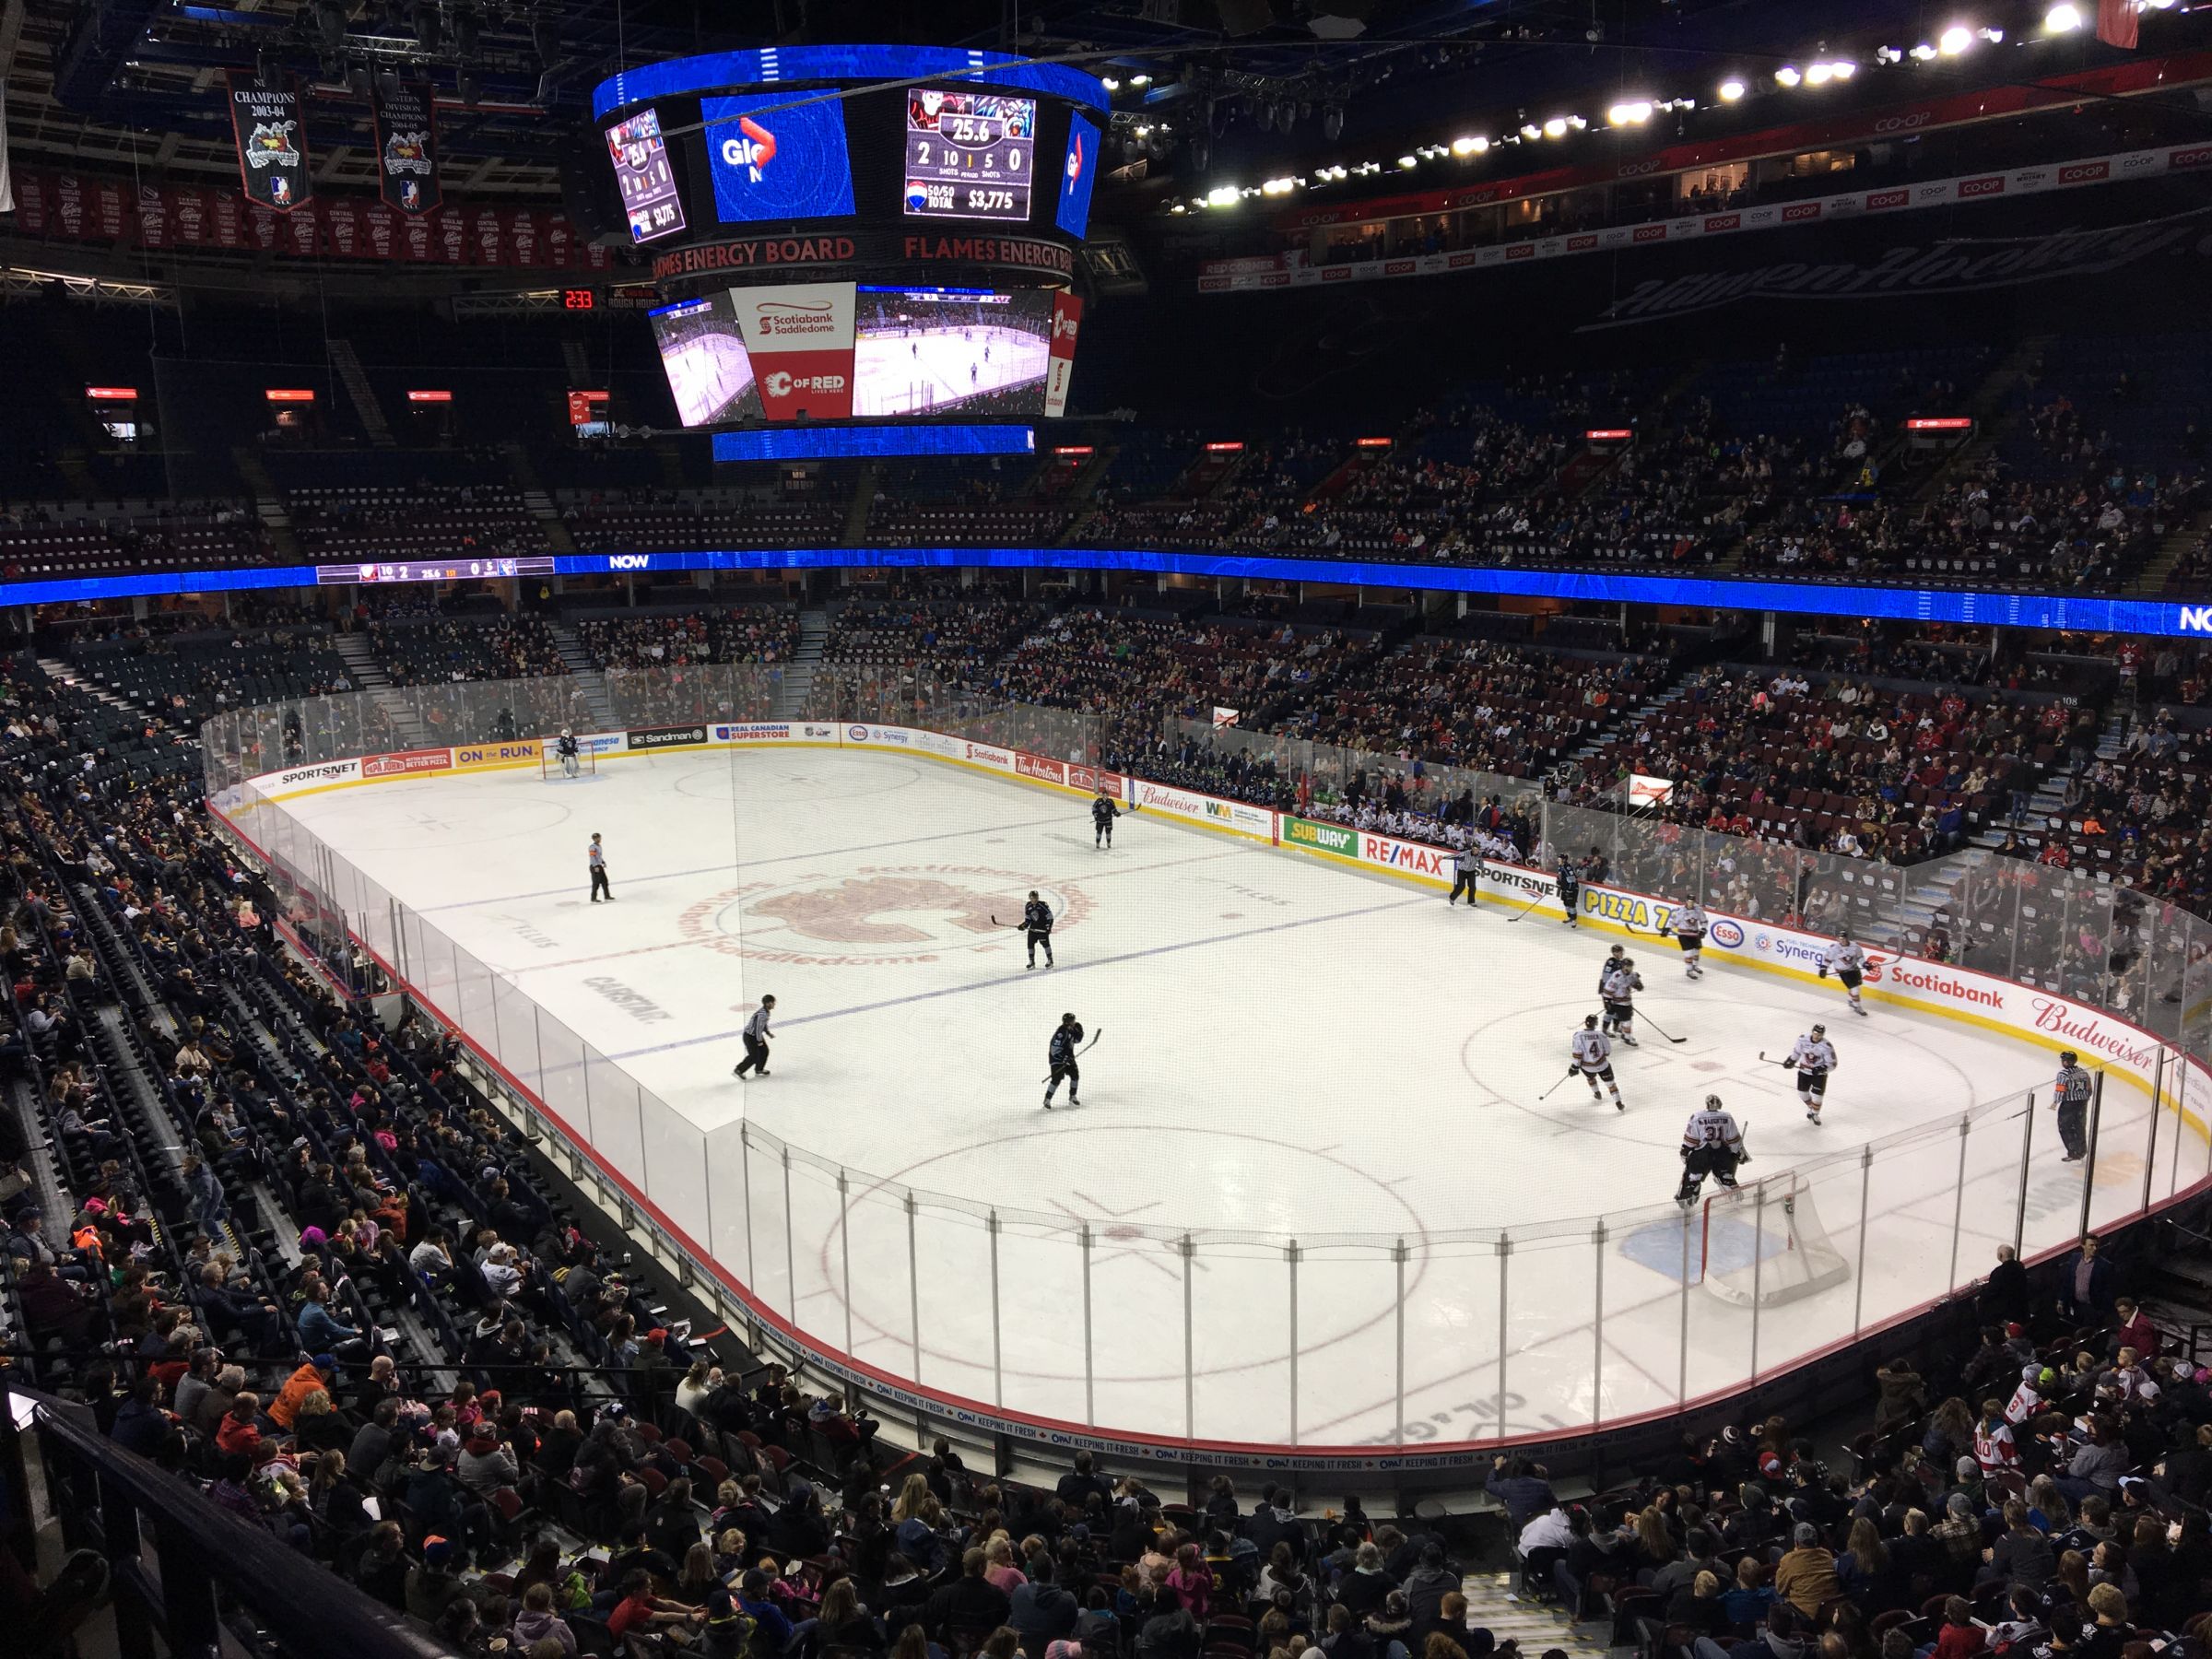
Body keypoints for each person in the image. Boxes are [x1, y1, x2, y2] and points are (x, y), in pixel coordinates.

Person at [1677, 1095, 1747, 1208]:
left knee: (1693, 1177)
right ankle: (1739, 1203)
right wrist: (1737, 1152)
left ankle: (1686, 1204)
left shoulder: (1697, 1117)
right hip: (1722, 1153)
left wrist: (1685, 1152)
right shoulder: (1727, 1117)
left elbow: (1691, 1140)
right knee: (1726, 1177)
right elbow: (1733, 1139)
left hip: (1702, 1155)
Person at [1775, 1025, 1838, 1125]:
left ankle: (1815, 1114)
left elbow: (1832, 1064)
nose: (1817, 1036)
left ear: (1823, 1035)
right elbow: (1797, 1052)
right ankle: (1812, 1108)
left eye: (1819, 1034)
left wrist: (1821, 1069)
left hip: (1819, 1075)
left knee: (1818, 1096)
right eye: (1815, 1033)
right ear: (1812, 1032)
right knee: (1802, 1094)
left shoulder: (1826, 1046)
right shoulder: (1803, 1039)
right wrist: (1791, 1060)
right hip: (1804, 1072)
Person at [1570, 1016, 1625, 1112]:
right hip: (1602, 1065)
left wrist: (1574, 1066)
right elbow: (1607, 1051)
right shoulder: (1601, 1035)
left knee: (1590, 1078)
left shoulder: (1578, 1036)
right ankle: (1618, 1103)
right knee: (1611, 1084)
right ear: (1596, 1024)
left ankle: (1597, 1093)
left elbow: (1577, 1054)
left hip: (1587, 1067)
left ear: (1585, 1023)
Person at [2062, 1233, 2115, 1319]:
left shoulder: (2105, 1265)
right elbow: (2068, 1280)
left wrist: (2102, 1310)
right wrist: (2061, 1300)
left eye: (2096, 1245)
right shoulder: (2074, 1258)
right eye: (2091, 1245)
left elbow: (2108, 1290)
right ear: (2083, 1245)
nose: (2095, 1248)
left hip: (2093, 1307)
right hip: (2076, 1305)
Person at [2053, 1051, 2094, 1163]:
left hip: (2069, 1105)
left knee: (2065, 1128)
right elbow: (2090, 1089)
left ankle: (2073, 1152)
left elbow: (2060, 1090)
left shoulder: (2063, 1074)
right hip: (2082, 1103)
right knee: (2079, 1127)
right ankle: (2081, 1151)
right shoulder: (2083, 1072)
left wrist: (2055, 1102)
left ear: (2066, 1062)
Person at [1818, 934, 1869, 1017]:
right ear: (1837, 939)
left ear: (1847, 938)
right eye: (1840, 939)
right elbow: (1827, 959)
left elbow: (1860, 957)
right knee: (1855, 989)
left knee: (1856, 987)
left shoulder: (1855, 947)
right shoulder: (1834, 949)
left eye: (1843, 939)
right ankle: (1857, 1006)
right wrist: (1823, 968)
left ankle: (1850, 1000)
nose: (1842, 941)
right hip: (1844, 972)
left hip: (1854, 969)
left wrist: (1865, 964)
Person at [1043, 1012, 1084, 1112]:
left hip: (1068, 1058)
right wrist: (1062, 1058)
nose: (1074, 1022)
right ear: (1068, 1022)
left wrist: (1080, 1033)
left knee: (1075, 1076)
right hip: (1057, 1059)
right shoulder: (1061, 1032)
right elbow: (1054, 1048)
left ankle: (1072, 1097)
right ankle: (1047, 1100)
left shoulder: (1071, 1030)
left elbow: (1076, 1040)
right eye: (1073, 1021)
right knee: (1056, 1079)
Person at [1599, 958, 1642, 1047]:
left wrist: (1638, 985)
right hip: (1618, 1002)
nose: (1629, 968)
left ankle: (1624, 1033)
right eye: (1627, 966)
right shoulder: (1617, 976)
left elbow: (1639, 986)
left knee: (1626, 1019)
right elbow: (1608, 989)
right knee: (1627, 1020)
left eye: (1631, 966)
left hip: (1627, 1001)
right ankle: (1627, 1037)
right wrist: (1607, 1001)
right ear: (1623, 966)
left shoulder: (1633, 975)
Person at [1663, 899, 1708, 981]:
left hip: (1695, 934)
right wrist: (1667, 929)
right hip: (1683, 935)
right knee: (1689, 953)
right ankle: (1689, 971)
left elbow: (1704, 921)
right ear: (1686, 901)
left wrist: (1703, 929)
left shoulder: (1698, 909)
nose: (1690, 903)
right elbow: (1673, 922)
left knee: (1696, 951)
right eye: (1689, 901)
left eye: (1692, 901)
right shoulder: (1680, 911)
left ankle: (1695, 967)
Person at [732, 994, 776, 1079]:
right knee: (754, 1056)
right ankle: (738, 1070)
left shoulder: (766, 1012)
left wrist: (768, 1033)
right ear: (767, 1004)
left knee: (764, 1051)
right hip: (750, 1036)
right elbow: (757, 1029)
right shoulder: (762, 1014)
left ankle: (759, 1069)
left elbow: (763, 1024)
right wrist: (759, 1042)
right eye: (772, 1002)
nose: (774, 1004)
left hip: (756, 1035)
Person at [1022, 890, 1055, 971]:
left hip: (1042, 928)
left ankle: (1050, 960)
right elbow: (1028, 919)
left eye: (1036, 897)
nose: (1034, 899)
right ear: (1030, 898)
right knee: (1030, 944)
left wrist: (1048, 927)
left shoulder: (1042, 905)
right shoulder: (1028, 905)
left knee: (1045, 944)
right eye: (1032, 898)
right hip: (1033, 929)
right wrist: (1023, 925)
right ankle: (1031, 961)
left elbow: (1050, 917)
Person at [1448, 842, 1481, 909]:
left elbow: (1481, 861)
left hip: (1471, 872)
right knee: (1461, 886)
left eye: (1479, 849)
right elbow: (1454, 856)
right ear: (1473, 849)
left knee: (1473, 887)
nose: (1478, 851)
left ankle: (1471, 901)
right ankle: (1452, 898)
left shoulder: (1479, 855)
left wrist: (1482, 869)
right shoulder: (1465, 854)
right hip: (1462, 871)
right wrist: (1443, 857)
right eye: (1476, 849)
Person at [1555, 855, 1582, 927]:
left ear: (1563, 860)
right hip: (1564, 888)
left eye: (1559, 859)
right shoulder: (1560, 867)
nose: (1558, 860)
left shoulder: (1567, 867)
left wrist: (1569, 889)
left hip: (1571, 889)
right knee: (1566, 903)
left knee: (1571, 904)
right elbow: (1560, 876)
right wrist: (1559, 881)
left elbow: (1573, 879)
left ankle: (1574, 920)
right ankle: (1570, 917)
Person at [587, 832, 611, 903]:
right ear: (594, 839)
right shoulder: (592, 847)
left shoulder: (599, 846)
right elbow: (592, 857)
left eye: (599, 837)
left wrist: (602, 862)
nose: (598, 839)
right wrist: (595, 866)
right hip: (595, 866)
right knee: (596, 883)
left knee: (605, 881)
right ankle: (593, 898)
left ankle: (607, 896)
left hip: (599, 866)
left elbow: (598, 856)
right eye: (596, 838)